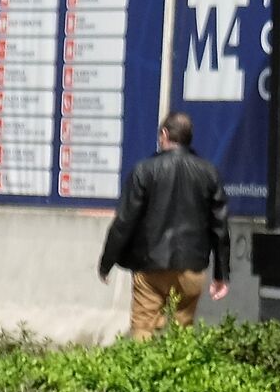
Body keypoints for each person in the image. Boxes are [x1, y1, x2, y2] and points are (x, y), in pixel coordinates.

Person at [99, 111, 231, 339]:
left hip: (150, 267)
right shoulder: (209, 173)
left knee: (143, 329)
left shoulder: (144, 170)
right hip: (192, 267)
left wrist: (106, 262)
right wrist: (221, 274)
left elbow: (125, 221)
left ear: (165, 134)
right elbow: (220, 227)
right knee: (182, 334)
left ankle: (141, 372)